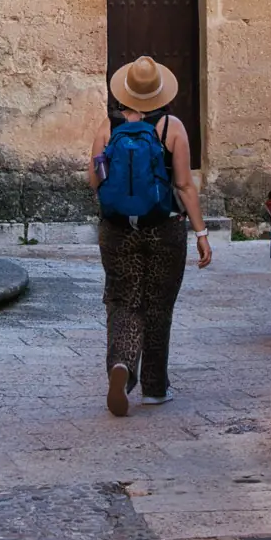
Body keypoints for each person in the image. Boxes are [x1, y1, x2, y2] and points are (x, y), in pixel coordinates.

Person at [90, 55, 212, 417]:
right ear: (160, 92)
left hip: (116, 230)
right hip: (165, 228)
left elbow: (94, 180)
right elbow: (184, 185)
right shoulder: (172, 127)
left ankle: (122, 364)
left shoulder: (108, 127)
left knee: (123, 300)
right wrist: (201, 232)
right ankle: (155, 388)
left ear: (125, 91)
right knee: (159, 305)